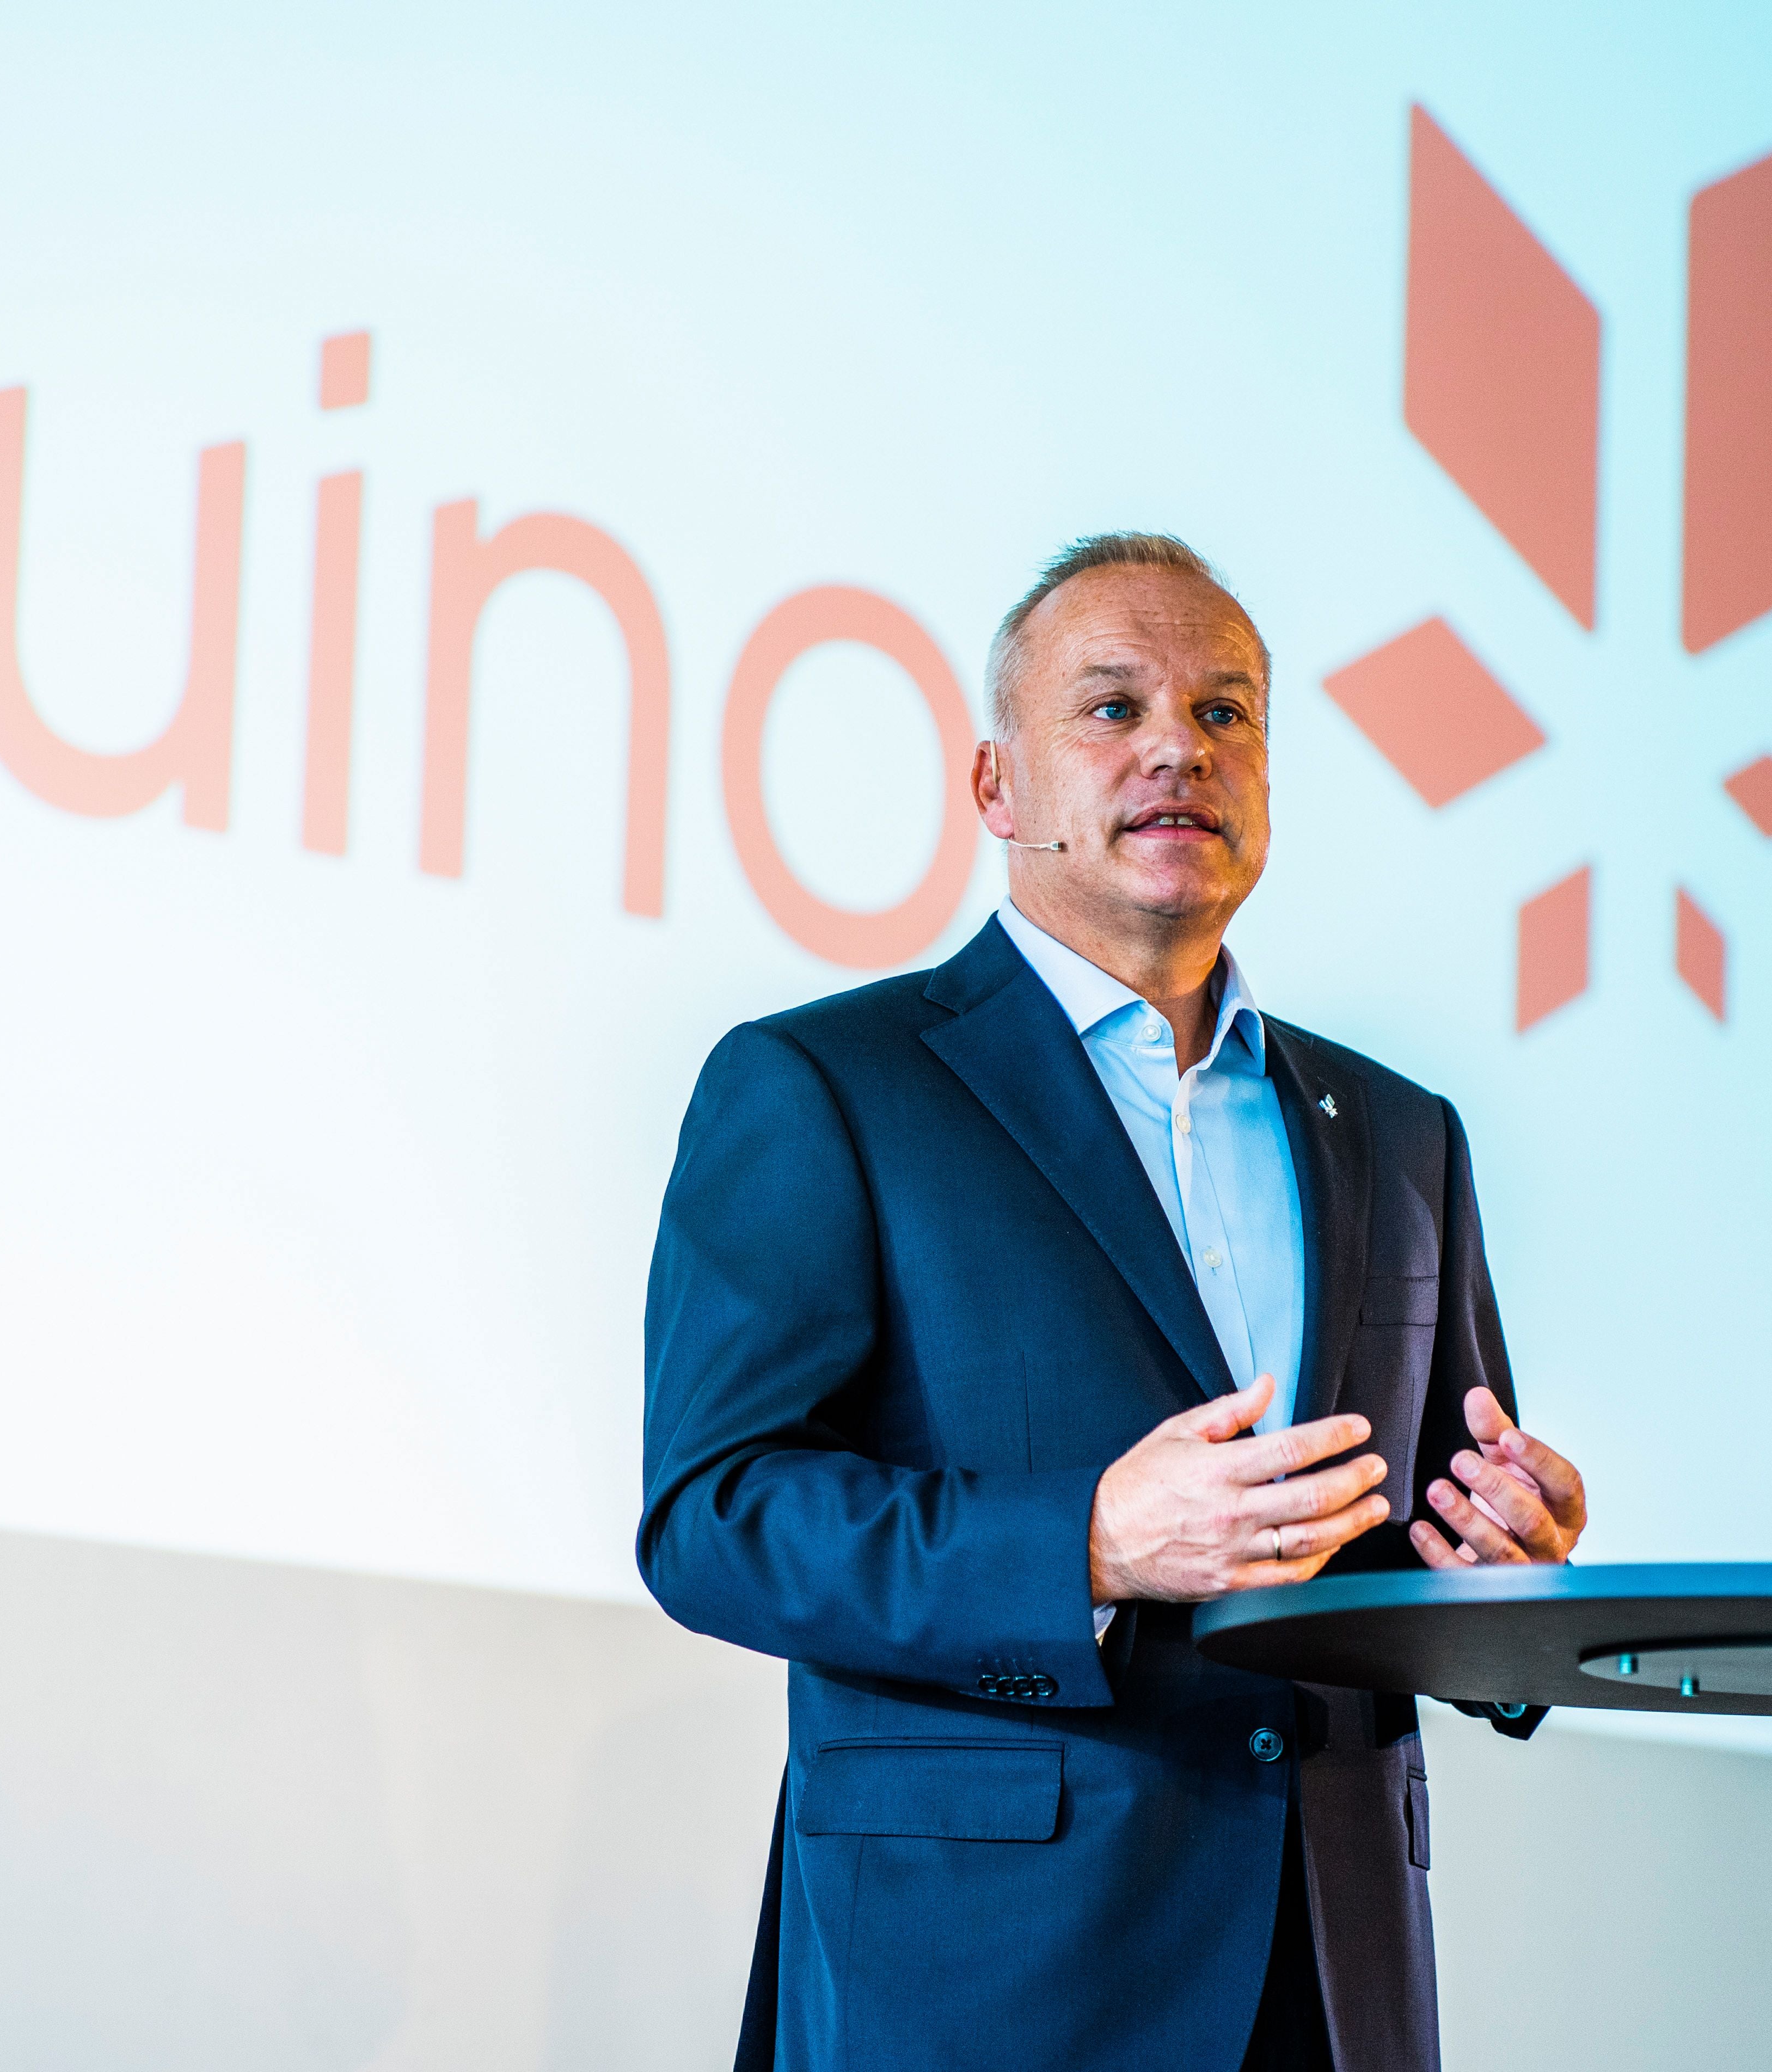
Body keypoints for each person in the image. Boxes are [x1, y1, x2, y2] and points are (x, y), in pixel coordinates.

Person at [638, 533, 1591, 2072]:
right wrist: (1087, 1543)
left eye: (1226, 714)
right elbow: (716, 1516)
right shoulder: (830, 1087)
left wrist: (1499, 1573)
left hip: (1330, 1975)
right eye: (1111, 708)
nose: (1176, 748)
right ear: (997, 790)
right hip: (986, 1978)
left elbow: (1423, 1539)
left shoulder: (1403, 1133)